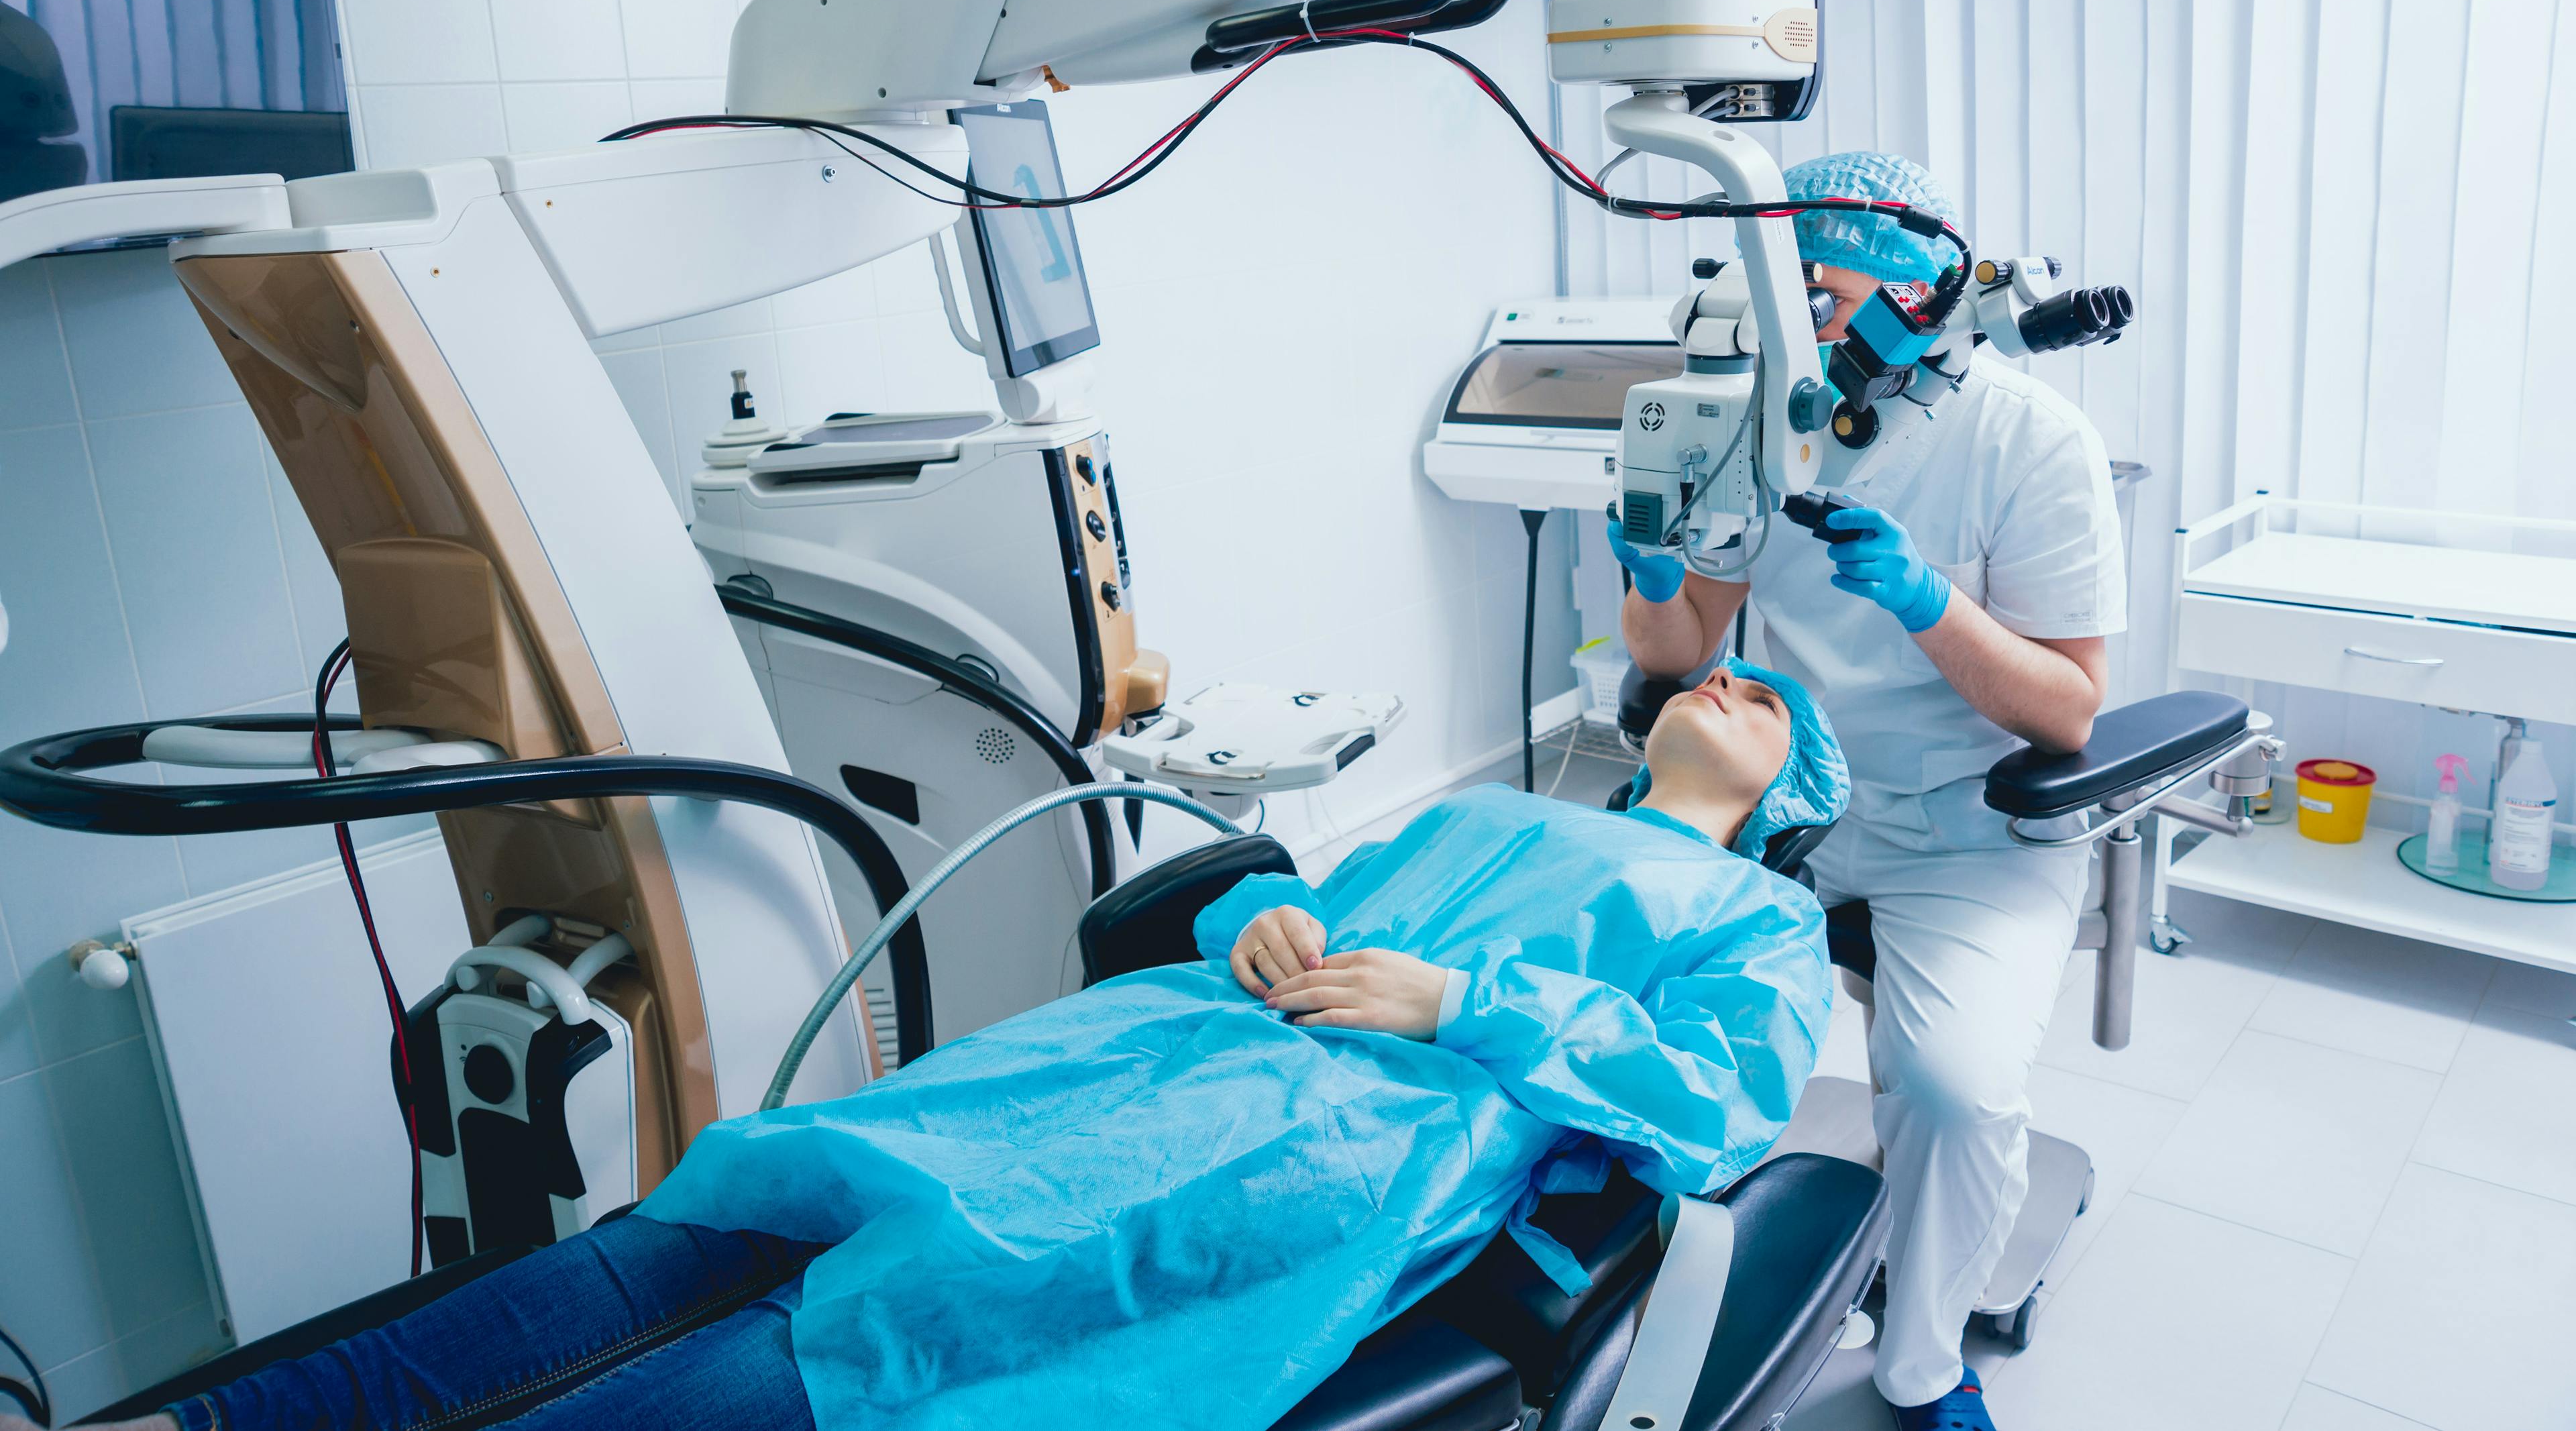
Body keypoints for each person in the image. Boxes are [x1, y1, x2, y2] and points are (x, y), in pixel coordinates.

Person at [50, 660, 1845, 1431]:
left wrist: (1468, 1004)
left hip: (1324, 1153)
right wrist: (1255, 918)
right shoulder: (1499, 810)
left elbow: (1718, 1101)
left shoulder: (1758, 921)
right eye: (1722, 672)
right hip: (1137, 1052)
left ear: (1785, 804)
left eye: (1772, 708)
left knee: (839, 1337)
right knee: (684, 1233)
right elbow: (1291, 892)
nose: (1732, 685)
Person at [1613, 152, 2123, 1431]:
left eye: (1829, 304)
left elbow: (2067, 707)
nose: (1808, 337)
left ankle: (1925, 1366)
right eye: (1791, 304)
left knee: (1950, 1091)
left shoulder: (2031, 440)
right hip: (1796, 799)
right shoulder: (1765, 418)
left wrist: (1928, 605)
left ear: (1918, 299)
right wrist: (1662, 577)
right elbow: (1681, 660)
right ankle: (1617, 1279)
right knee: (1615, 985)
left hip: (1975, 822)